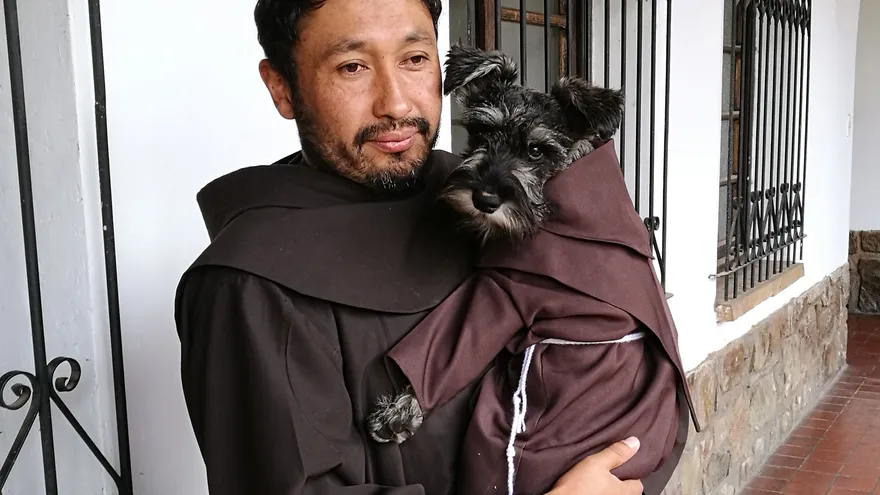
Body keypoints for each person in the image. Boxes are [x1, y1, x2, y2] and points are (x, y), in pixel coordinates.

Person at [173, 0, 651, 494]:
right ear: (282, 87)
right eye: (352, 66)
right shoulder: (247, 287)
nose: (397, 104)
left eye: (415, 59)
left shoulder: (476, 198)